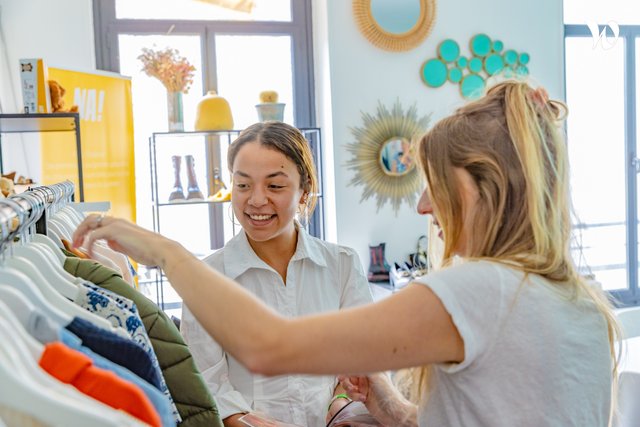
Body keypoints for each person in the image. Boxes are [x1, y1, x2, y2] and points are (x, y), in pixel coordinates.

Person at [74, 81, 619, 427]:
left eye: (435, 185)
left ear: (481, 187)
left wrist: (165, 252)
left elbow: (268, 346)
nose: (426, 206)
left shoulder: (480, 290)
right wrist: (394, 410)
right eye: (242, 184)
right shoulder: (582, 304)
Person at [180, 122, 374, 427]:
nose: (256, 200)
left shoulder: (342, 265)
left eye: (274, 186)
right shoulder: (206, 279)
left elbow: (362, 360)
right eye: (243, 185)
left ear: (304, 190)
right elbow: (206, 384)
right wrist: (246, 422)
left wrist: (340, 405)